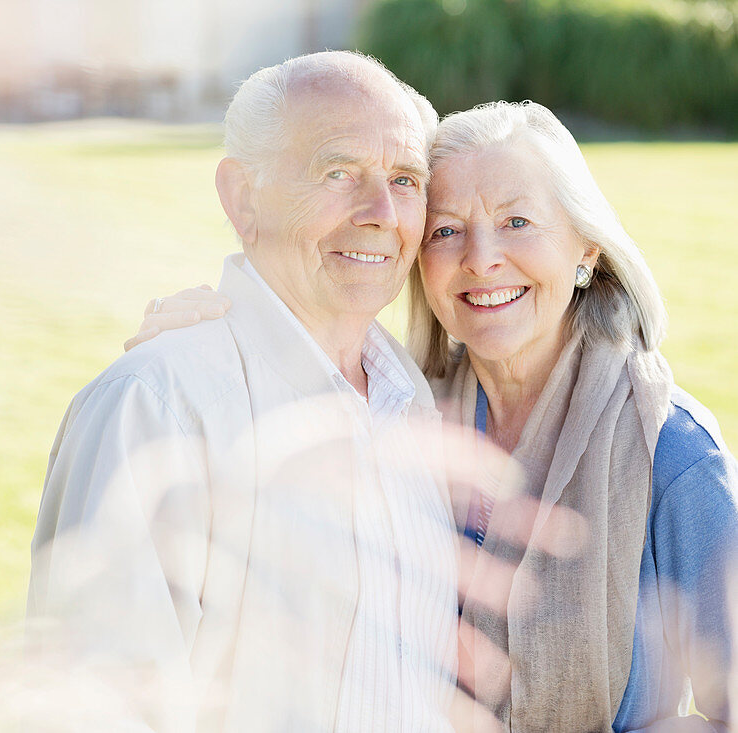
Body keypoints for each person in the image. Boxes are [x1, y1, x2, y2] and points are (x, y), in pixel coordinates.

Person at [130, 100, 738, 731]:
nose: (481, 259)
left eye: (517, 221)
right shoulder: (394, 416)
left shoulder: (670, 454)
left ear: (586, 248)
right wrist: (201, 351)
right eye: (446, 230)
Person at [28, 51, 462, 731]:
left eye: (405, 179)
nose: (381, 211)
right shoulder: (158, 406)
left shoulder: (413, 401)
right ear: (243, 197)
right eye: (338, 172)